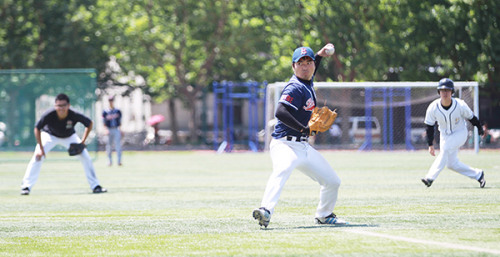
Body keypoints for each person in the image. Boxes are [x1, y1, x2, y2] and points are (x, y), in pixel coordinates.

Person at [252, 44, 346, 228]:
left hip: (303, 147)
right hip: (284, 145)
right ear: (293, 67)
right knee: (283, 168)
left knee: (333, 181)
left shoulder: (307, 80)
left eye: (308, 62)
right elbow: (280, 112)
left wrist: (319, 54)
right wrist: (303, 129)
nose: (305, 66)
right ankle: (265, 210)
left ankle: (324, 215)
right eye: (300, 63)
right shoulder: (295, 87)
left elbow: (313, 66)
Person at [20, 93, 107, 195]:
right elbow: (37, 128)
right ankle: (26, 186)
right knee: (37, 157)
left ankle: (95, 186)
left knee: (85, 157)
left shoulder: (73, 114)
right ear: (55, 106)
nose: (61, 108)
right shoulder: (49, 114)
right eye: (58, 106)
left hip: (69, 136)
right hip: (49, 135)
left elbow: (89, 123)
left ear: (68, 105)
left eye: (63, 105)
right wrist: (41, 149)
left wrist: (82, 142)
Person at [421, 78, 486, 188]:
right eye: (442, 90)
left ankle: (430, 178)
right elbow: (429, 127)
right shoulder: (433, 107)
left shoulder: (460, 105)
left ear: (452, 92)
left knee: (445, 149)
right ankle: (478, 175)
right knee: (452, 164)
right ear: (439, 92)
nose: (445, 93)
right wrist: (430, 145)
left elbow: (472, 117)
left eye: (447, 90)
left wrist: (479, 128)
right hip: (444, 136)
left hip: (460, 133)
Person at [102, 95, 123, 166]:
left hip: (116, 129)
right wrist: (105, 130)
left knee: (118, 145)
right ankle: (109, 161)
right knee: (109, 146)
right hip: (109, 129)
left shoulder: (117, 111)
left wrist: (121, 130)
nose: (111, 102)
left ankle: (119, 161)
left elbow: (120, 121)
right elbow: (104, 122)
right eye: (109, 100)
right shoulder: (105, 111)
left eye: (112, 100)